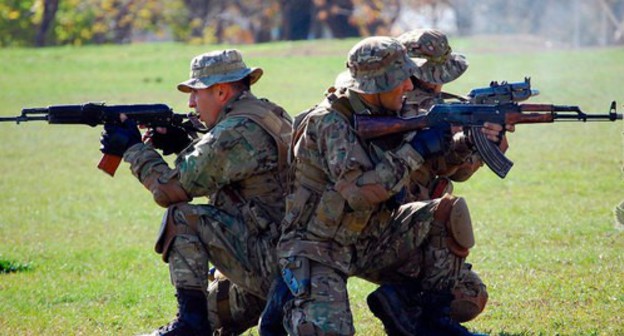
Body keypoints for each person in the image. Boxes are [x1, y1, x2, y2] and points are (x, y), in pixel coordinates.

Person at [269, 36, 506, 336]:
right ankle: (281, 305)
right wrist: (416, 150)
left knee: (449, 219)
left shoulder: (388, 112)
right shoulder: (330, 123)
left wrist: (464, 143)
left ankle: (428, 322)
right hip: (321, 246)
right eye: (402, 79)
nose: (409, 86)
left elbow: (436, 166)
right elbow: (358, 193)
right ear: (378, 85)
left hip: (371, 237)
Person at [99, 49, 293, 335]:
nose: (190, 102)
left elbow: (169, 191)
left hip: (268, 263)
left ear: (221, 92)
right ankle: (197, 323)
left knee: (181, 216)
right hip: (285, 263)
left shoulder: (233, 133)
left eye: (196, 93)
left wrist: (133, 149)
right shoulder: (264, 113)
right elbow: (229, 171)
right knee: (214, 314)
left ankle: (190, 325)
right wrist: (184, 145)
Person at [363, 28, 499, 334]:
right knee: (465, 291)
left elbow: (451, 169)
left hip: (402, 227)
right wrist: (476, 144)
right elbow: (453, 169)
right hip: (394, 230)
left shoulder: (393, 102)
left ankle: (400, 303)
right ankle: (428, 320)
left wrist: (480, 143)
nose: (441, 81)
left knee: (470, 295)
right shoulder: (414, 110)